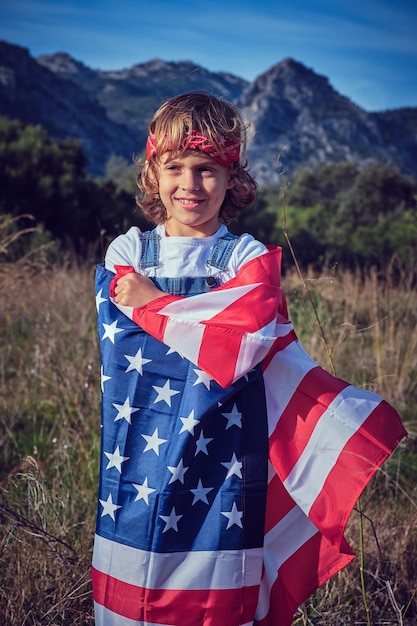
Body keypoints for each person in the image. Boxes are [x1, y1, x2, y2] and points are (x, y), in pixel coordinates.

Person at [93, 92, 406, 626]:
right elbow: (127, 333)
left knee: (216, 570)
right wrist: (194, 319)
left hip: (224, 442)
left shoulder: (245, 257)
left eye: (208, 169)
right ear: (153, 172)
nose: (190, 185)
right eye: (175, 168)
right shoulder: (129, 250)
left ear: (233, 176)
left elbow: (247, 335)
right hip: (141, 435)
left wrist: (158, 305)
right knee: (137, 554)